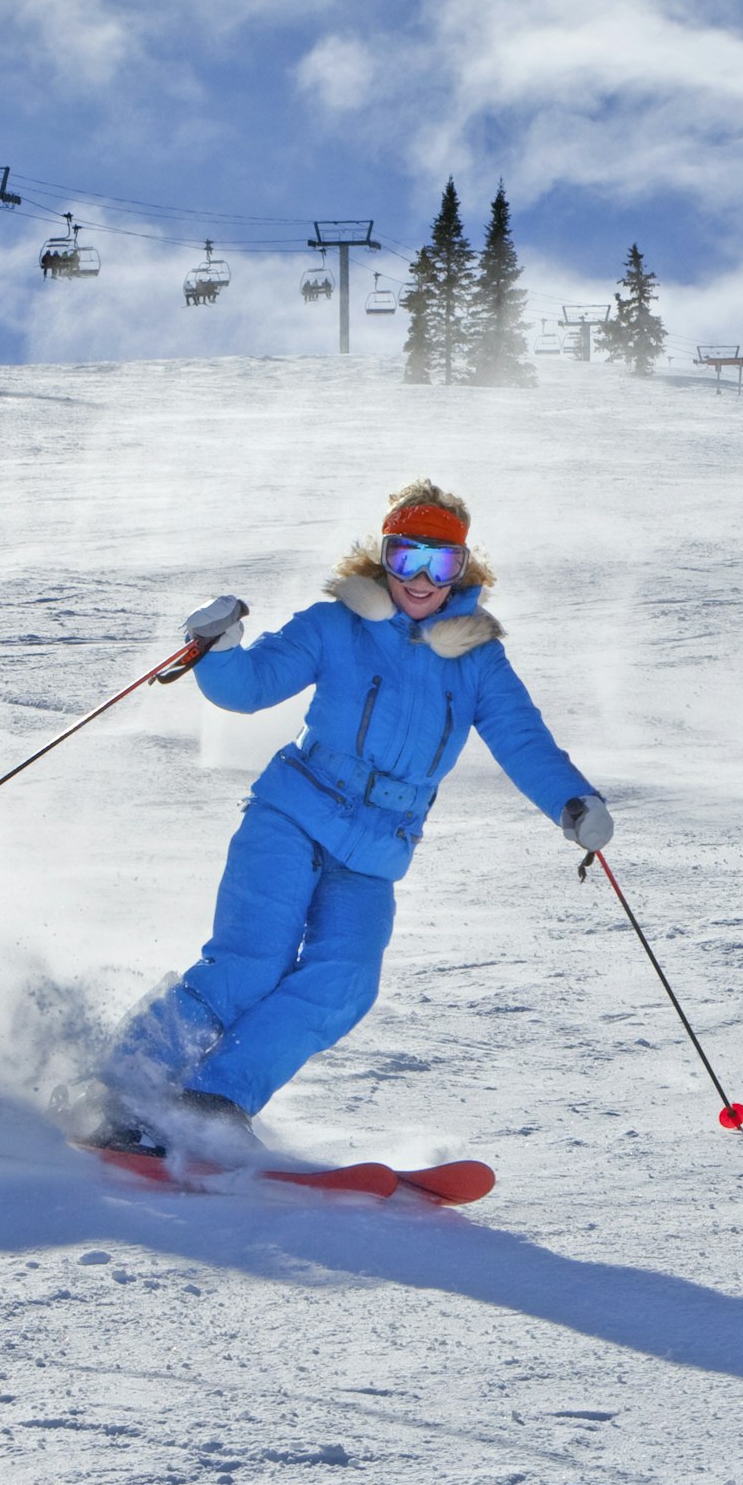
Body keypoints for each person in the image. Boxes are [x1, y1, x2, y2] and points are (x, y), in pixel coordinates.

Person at [101, 481, 610, 1155]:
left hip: (375, 851)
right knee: (252, 962)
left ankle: (213, 1100)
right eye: (407, 560)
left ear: (463, 571)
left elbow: (522, 739)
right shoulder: (336, 624)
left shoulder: (477, 656)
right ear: (384, 559)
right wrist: (217, 650)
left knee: (346, 981)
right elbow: (248, 688)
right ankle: (120, 1087)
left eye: (439, 564)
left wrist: (572, 802)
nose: (421, 580)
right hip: (294, 813)